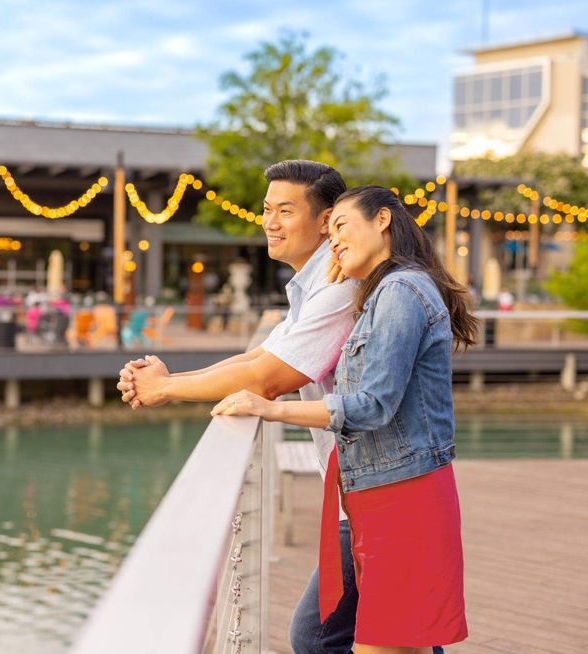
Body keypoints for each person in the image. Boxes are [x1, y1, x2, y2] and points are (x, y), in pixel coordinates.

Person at [213, 185, 477, 653]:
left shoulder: (400, 290)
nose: (332, 243)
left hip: (402, 496)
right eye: (329, 234)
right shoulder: (385, 290)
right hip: (379, 492)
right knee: (397, 641)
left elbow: (373, 404)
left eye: (340, 228)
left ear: (381, 221)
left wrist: (273, 408)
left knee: (379, 642)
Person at [118, 159, 364, 653]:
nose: (269, 221)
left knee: (320, 637)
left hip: (372, 491)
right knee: (395, 632)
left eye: (285, 210)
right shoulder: (310, 286)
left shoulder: (340, 288)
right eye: (267, 209)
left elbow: (268, 379)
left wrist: (163, 391)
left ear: (325, 220)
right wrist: (168, 380)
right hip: (354, 492)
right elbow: (257, 357)